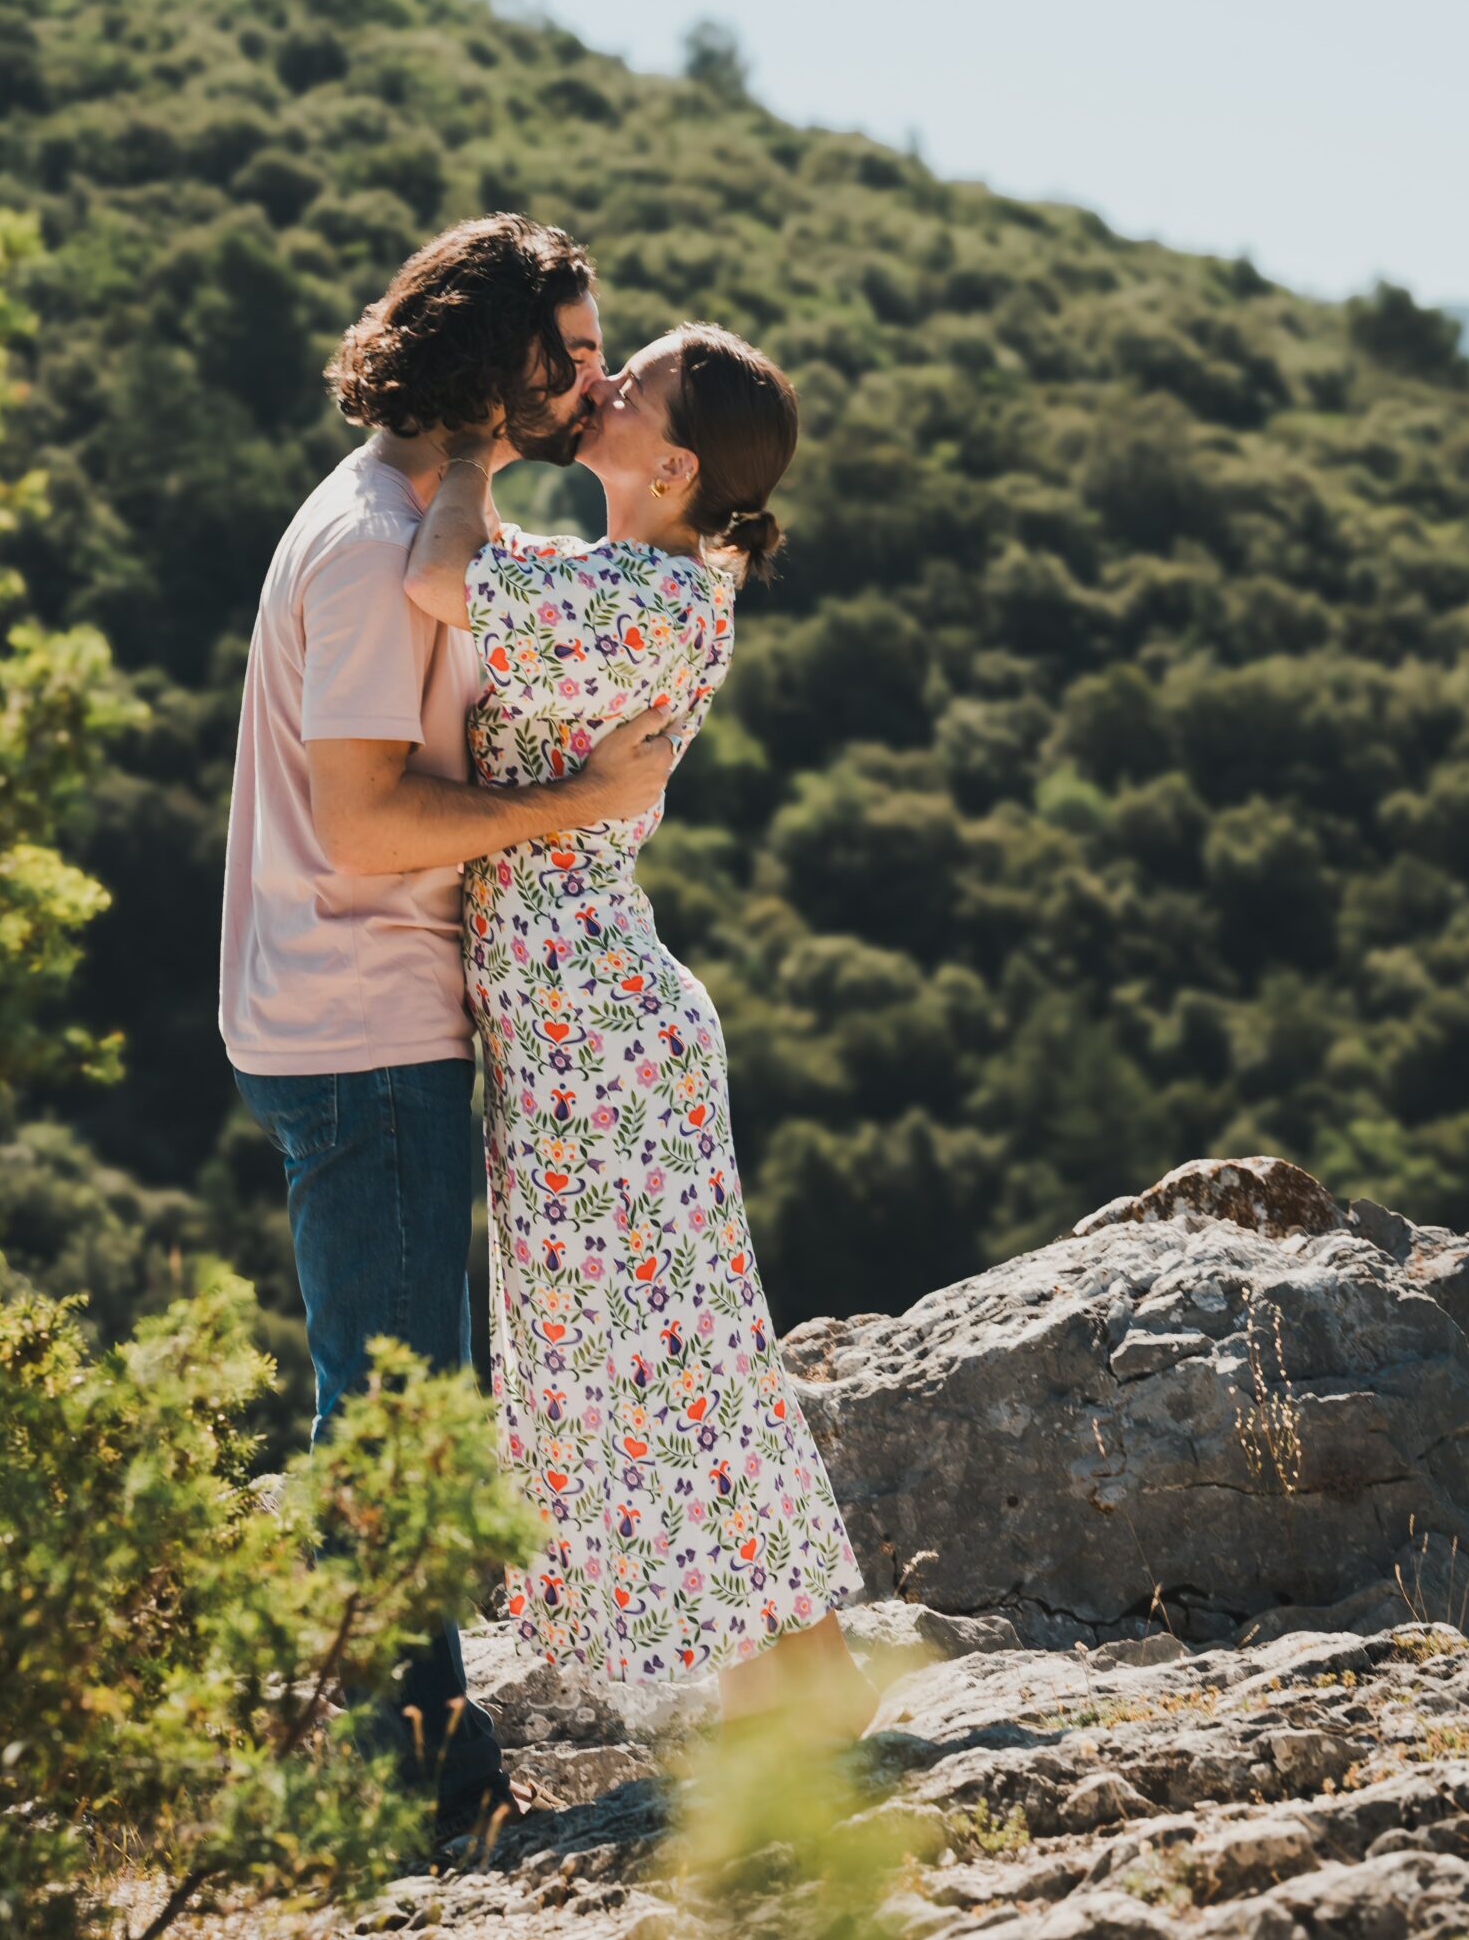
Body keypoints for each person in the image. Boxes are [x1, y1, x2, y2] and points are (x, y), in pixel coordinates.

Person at [217, 214, 676, 1844]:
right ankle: (415, 1777)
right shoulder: (365, 547)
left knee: (392, 1387)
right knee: (402, 1404)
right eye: (569, 352)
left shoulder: (410, 512)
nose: (594, 376)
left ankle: (401, 1744)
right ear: (495, 363)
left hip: (350, 1010)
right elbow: (360, 821)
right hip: (358, 1016)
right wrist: (576, 803)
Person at [404, 321, 873, 1738]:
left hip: (596, 1035)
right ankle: (794, 1684)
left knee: (656, 1358)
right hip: (588, 1024)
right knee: (678, 1355)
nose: (602, 385)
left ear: (671, 465)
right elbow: (502, 571)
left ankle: (788, 1689)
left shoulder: (650, 601)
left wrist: (473, 438)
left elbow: (439, 574)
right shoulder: (628, 579)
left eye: (634, 381)